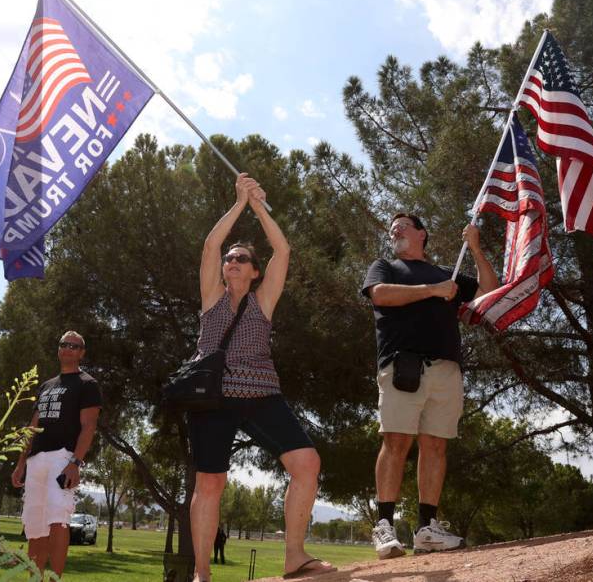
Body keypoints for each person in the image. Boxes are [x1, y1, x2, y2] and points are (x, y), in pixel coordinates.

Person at [187, 173, 335, 582]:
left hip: (261, 394)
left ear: (254, 272)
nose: (231, 262)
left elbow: (283, 249)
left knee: (307, 463)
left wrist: (257, 207)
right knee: (210, 483)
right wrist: (238, 202)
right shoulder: (212, 297)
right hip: (212, 398)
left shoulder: (263, 302)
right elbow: (210, 245)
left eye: (241, 260)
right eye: (229, 260)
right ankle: (202, 573)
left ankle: (294, 556)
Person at [361, 213, 498, 558]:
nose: (395, 228)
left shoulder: (446, 273)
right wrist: (433, 291)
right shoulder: (385, 266)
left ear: (422, 233)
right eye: (392, 226)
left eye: (403, 224)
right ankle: (385, 527)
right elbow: (379, 295)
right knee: (396, 441)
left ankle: (426, 529)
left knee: (435, 446)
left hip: (446, 370)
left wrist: (477, 248)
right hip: (403, 365)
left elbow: (490, 291)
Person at [12, 330, 102, 577]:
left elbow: (89, 426)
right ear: (58, 349)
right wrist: (21, 463)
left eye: (74, 346)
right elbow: (32, 427)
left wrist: (75, 462)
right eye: (64, 344)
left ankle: (55, 577)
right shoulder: (46, 386)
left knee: (57, 519)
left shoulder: (87, 384)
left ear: (81, 353)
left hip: (63, 458)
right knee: (34, 525)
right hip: (36, 460)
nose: (67, 349)